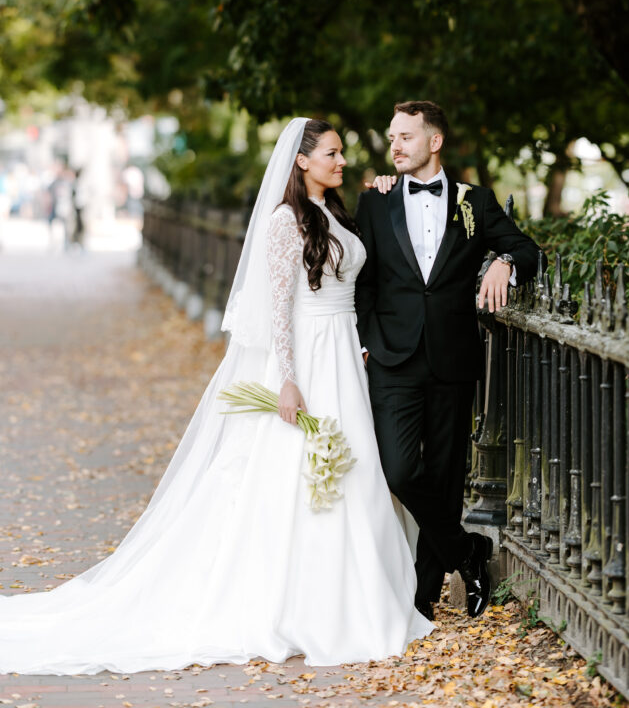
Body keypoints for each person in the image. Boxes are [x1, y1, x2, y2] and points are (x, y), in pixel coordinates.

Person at [0, 117, 431, 676]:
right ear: (301, 160)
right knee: (299, 477)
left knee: (352, 473)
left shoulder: (337, 215)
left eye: (341, 152)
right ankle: (303, 603)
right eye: (331, 152)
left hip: (345, 353)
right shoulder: (284, 222)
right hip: (309, 357)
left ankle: (357, 593)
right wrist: (289, 378)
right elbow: (280, 307)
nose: (341, 160)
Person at [355, 100, 545, 622]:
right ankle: (468, 553)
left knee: (443, 477)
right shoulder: (374, 202)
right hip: (392, 356)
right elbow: (362, 281)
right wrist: (366, 339)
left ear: (433, 142)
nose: (394, 146)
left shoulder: (475, 202)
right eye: (392, 137)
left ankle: (422, 600)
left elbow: (527, 249)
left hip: (453, 357)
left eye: (405, 137)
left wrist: (503, 262)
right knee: (398, 469)